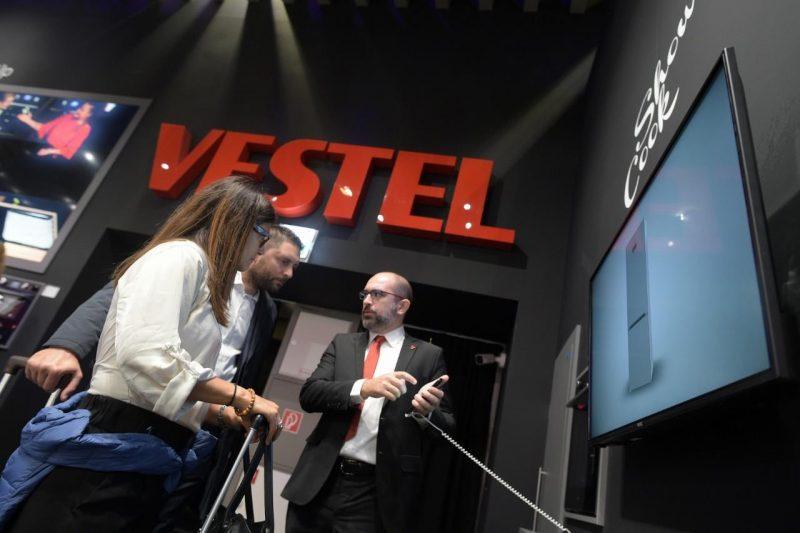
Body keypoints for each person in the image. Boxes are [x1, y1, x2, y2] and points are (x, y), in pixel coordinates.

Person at [1, 176, 283, 531]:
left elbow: (161, 386)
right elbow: (147, 357)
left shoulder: (204, 273)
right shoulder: (179, 256)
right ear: (236, 222)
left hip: (147, 450)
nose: (262, 247)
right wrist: (241, 396)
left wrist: (221, 412)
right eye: (262, 234)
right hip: (114, 443)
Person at [282, 271, 455, 533]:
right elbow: (310, 394)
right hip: (319, 481)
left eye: (377, 294)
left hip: (376, 492)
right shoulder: (343, 344)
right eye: (364, 294)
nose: (366, 301)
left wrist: (427, 413)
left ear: (402, 306)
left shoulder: (427, 355)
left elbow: (447, 429)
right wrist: (363, 387)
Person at [16, 101, 93, 159]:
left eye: (82, 110)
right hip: (41, 145)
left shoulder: (85, 129)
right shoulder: (68, 116)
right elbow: (44, 128)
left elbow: (69, 151)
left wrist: (48, 151)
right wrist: (28, 120)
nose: (77, 110)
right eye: (79, 107)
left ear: (89, 114)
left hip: (53, 156)